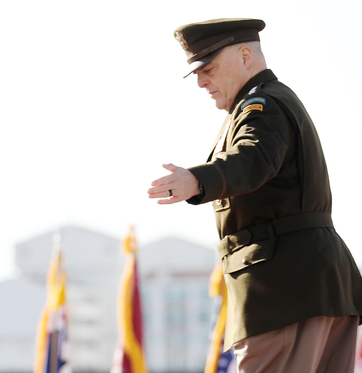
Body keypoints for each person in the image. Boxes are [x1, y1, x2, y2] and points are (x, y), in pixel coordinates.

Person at [147, 18, 362, 372]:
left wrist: (199, 181)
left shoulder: (262, 106)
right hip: (316, 288)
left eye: (209, 68)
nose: (201, 82)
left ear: (246, 56)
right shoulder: (266, 103)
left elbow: (252, 158)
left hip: (285, 294)